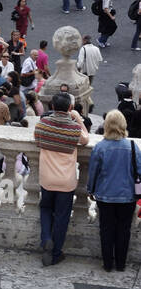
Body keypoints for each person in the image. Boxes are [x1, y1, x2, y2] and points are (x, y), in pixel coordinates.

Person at [34, 90, 89, 267]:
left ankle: (46, 239)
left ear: (51, 106)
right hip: (66, 181)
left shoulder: (43, 124)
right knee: (62, 217)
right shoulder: (73, 129)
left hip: (47, 179)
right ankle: (56, 253)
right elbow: (86, 140)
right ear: (70, 108)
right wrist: (78, 118)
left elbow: (37, 140)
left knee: (45, 209)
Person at [88, 111, 140, 273]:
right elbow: (139, 170)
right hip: (127, 195)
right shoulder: (132, 147)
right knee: (124, 230)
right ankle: (121, 263)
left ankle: (108, 263)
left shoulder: (100, 147)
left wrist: (91, 190)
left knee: (106, 229)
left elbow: (93, 172)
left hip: (105, 195)